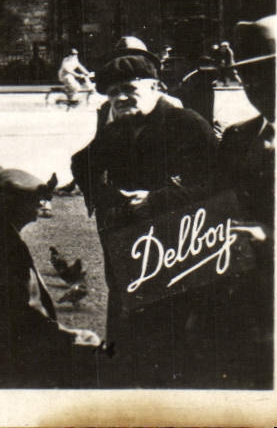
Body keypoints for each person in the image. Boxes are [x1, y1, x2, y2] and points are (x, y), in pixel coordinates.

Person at [69, 43, 219, 386]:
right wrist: (106, 202)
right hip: (125, 237)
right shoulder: (117, 129)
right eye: (114, 93)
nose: (121, 99)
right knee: (124, 311)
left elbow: (215, 183)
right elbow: (82, 163)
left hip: (176, 240)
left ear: (154, 88)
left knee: (170, 324)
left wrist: (157, 199)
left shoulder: (187, 123)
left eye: (131, 90)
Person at [0, 168, 102, 387]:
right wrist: (66, 338)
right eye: (34, 200)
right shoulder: (1, 244)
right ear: (15, 206)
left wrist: (63, 334)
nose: (40, 205)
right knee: (96, 360)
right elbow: (18, 316)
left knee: (91, 349)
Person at [205, 17, 276, 388]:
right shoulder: (237, 138)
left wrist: (270, 237)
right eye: (250, 78)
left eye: (271, 74)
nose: (259, 87)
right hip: (240, 302)